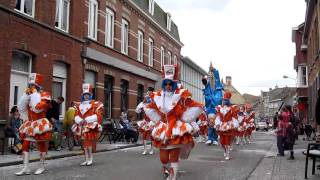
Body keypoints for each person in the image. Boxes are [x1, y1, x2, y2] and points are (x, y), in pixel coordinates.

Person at [145, 65, 203, 180]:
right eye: (166, 84)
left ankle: (173, 176)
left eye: (170, 84)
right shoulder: (158, 96)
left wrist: (186, 118)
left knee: (174, 156)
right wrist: (158, 119)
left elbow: (194, 106)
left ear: (174, 84)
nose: (168, 86)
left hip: (176, 128)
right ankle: (167, 170)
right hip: (163, 128)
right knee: (163, 158)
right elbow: (149, 107)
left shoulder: (180, 95)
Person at [15, 73, 53, 175]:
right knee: (25, 144)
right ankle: (26, 168)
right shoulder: (29, 96)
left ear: (38, 86)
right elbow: (21, 109)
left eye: (33, 86)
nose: (31, 87)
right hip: (30, 123)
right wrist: (25, 96)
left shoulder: (45, 95)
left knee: (40, 144)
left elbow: (37, 108)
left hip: (40, 123)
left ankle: (41, 166)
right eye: (30, 85)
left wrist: (34, 94)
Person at [72, 84, 104, 166]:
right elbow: (76, 115)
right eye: (84, 95)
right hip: (82, 126)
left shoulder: (94, 104)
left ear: (90, 95)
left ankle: (90, 158)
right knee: (84, 144)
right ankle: (86, 159)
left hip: (89, 126)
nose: (86, 96)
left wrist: (87, 119)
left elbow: (99, 115)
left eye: (88, 95)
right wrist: (79, 120)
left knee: (88, 143)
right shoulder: (79, 105)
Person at [214, 91, 239, 160]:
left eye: (225, 100)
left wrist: (234, 125)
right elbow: (218, 117)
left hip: (228, 126)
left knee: (227, 141)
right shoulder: (219, 108)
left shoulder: (232, 109)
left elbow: (234, 117)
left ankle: (227, 154)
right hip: (221, 126)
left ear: (227, 101)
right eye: (223, 100)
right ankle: (225, 150)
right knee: (222, 142)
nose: (223, 101)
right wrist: (217, 124)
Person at [202, 67, 223, 145]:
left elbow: (217, 79)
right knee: (210, 124)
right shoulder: (211, 92)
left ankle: (214, 138)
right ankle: (210, 138)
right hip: (210, 108)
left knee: (215, 125)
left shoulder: (218, 91)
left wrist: (214, 71)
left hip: (215, 107)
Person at [136, 87, 155, 155]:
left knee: (152, 136)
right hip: (146, 121)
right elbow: (137, 111)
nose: (147, 98)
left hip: (152, 121)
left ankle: (152, 149)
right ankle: (145, 150)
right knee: (144, 135)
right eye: (147, 94)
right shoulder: (143, 104)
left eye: (150, 94)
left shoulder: (154, 104)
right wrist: (142, 105)